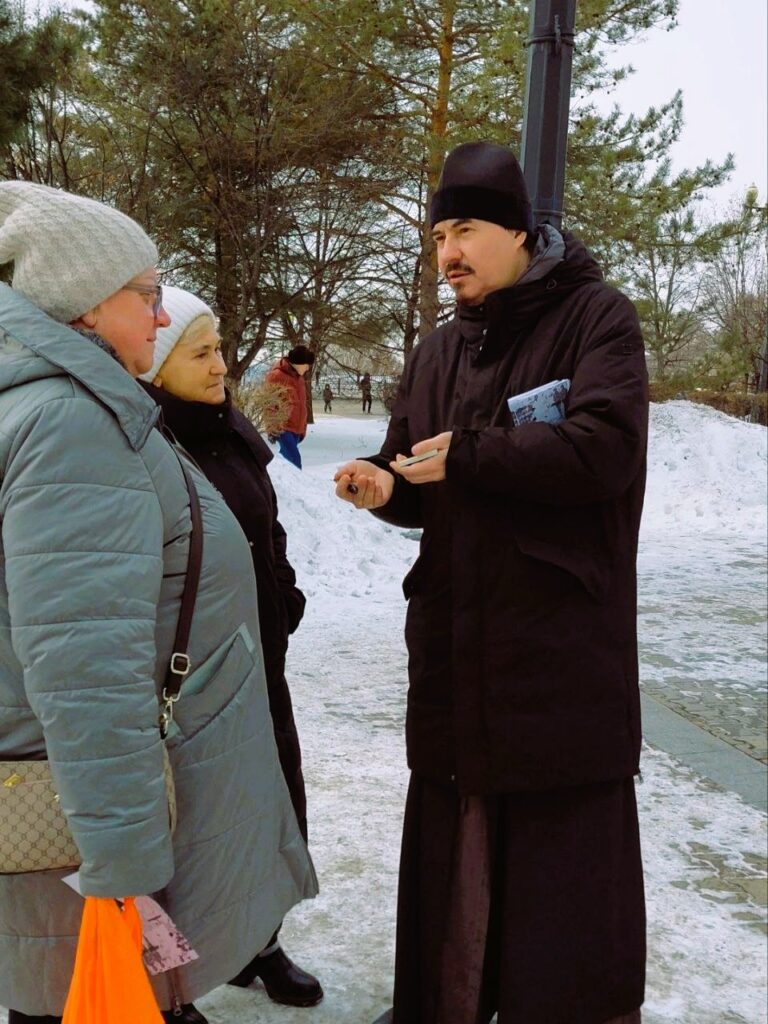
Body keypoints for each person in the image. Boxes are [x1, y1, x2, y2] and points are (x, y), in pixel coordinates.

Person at [334, 141, 648, 1024]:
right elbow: (418, 470)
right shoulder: (440, 350)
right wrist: (385, 485)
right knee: (456, 863)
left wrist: (467, 455)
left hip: (555, 655)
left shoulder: (598, 319)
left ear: (518, 230)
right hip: (455, 644)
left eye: (465, 230)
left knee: (559, 877)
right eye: (438, 236)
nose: (448, 255)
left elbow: (604, 448)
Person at [0, 181, 317, 1024]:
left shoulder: (66, 401)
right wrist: (126, 867)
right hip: (80, 838)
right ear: (88, 301)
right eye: (146, 293)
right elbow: (83, 666)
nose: (156, 311)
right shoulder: (68, 420)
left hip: (74, 810)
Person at [139, 285, 322, 1008]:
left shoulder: (232, 429)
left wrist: (284, 588)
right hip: (191, 676)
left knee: (262, 804)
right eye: (202, 351)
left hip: (259, 660)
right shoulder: (148, 445)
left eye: (218, 348)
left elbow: (265, 523)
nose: (220, 365)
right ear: (156, 363)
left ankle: (257, 943)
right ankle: (169, 984)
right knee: (189, 829)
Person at [266, 344, 315, 468]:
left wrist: (303, 427)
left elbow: (302, 405)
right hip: (283, 427)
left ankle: (278, 478)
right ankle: (297, 485)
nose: (308, 368)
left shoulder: (300, 378)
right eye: (307, 365)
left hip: (296, 428)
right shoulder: (277, 376)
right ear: (299, 363)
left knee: (286, 460)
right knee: (294, 461)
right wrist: (272, 427)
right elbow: (270, 404)